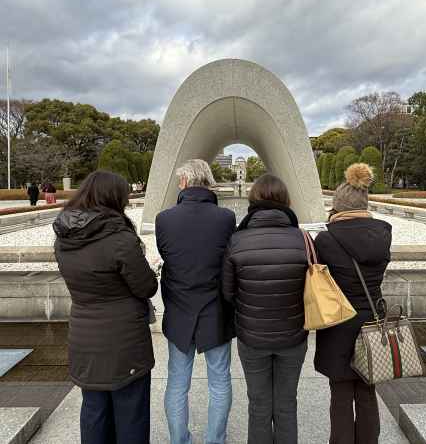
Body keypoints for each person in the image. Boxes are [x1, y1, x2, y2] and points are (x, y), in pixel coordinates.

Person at [53, 170, 158, 444]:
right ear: (113, 198)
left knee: (94, 411)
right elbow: (146, 287)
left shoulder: (63, 239)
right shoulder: (119, 239)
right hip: (124, 342)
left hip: (84, 337)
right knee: (131, 413)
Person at [222, 174, 308, 444]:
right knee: (287, 402)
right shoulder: (303, 239)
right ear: (285, 201)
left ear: (253, 200)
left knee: (258, 404)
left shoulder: (237, 240)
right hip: (294, 335)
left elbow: (227, 292)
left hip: (252, 337)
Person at [155, 159, 236, 444]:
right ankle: (216, 440)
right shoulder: (226, 217)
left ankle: (180, 440)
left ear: (186, 183)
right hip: (216, 309)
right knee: (220, 380)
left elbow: (168, 258)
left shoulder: (164, 219)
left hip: (179, 310)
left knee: (177, 381)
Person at [313, 163, 392, 444]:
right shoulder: (383, 234)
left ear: (337, 206)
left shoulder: (326, 238)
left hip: (339, 323)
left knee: (341, 394)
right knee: (368, 392)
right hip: (372, 319)